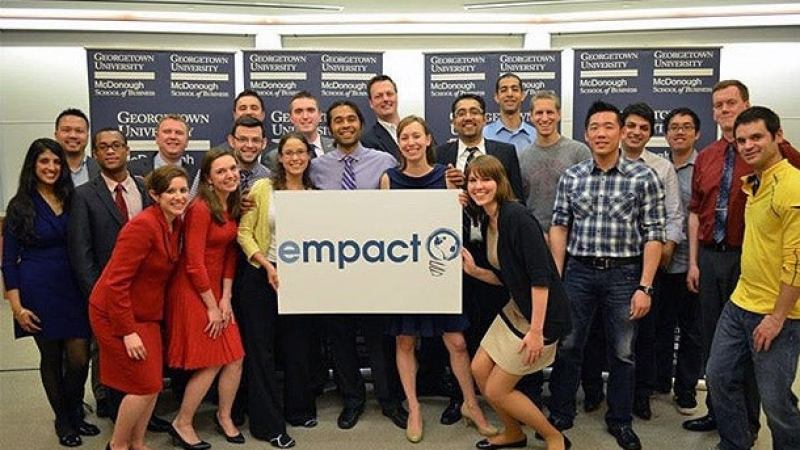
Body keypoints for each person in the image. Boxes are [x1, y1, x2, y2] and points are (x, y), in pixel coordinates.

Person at [547, 101, 665, 450]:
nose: (601, 133)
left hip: (624, 275)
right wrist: (557, 277)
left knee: (623, 353)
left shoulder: (643, 177)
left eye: (609, 126)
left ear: (622, 132)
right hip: (578, 272)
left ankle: (620, 420)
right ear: (586, 134)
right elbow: (559, 226)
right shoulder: (572, 176)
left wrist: (645, 286)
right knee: (568, 346)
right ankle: (560, 413)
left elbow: (654, 235)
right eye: (594, 127)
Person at [379, 115, 494, 443]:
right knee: (405, 341)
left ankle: (471, 404)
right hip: (404, 274)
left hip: (441, 272)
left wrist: (462, 204)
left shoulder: (447, 176)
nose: (411, 143)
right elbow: (382, 227)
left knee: (457, 342)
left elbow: (465, 224)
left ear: (428, 140)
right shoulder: (388, 179)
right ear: (399, 143)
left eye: (417, 136)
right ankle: (414, 408)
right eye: (405, 137)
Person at [463, 155, 572, 450]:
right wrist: (475, 272)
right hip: (517, 308)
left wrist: (536, 331)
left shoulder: (517, 217)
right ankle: (513, 433)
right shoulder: (489, 218)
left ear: (500, 182)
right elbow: (507, 277)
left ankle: (554, 436)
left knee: (497, 390)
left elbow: (540, 278)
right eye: (472, 180)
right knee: (479, 369)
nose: (478, 186)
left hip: (543, 316)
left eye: (485, 179)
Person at [706, 106, 800, 450]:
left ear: (778, 136)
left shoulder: (793, 187)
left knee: (776, 402)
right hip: (740, 302)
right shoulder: (754, 183)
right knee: (718, 377)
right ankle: (736, 442)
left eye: (757, 137)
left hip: (778, 314)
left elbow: (797, 263)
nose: (747, 146)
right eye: (742, 140)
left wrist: (776, 317)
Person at [309, 100, 407, 430]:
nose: (345, 125)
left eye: (351, 119)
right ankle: (352, 399)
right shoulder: (317, 167)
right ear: (330, 128)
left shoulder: (385, 161)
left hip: (374, 267)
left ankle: (389, 400)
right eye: (338, 120)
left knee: (379, 338)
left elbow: (401, 208)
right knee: (340, 338)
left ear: (360, 124)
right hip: (333, 267)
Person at [2, 138, 100, 447]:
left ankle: (74, 410)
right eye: (44, 161)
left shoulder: (73, 199)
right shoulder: (20, 205)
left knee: (79, 357)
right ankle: (64, 420)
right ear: (33, 165)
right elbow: (8, 261)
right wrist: (17, 307)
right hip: (38, 288)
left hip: (73, 285)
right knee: (51, 357)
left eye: (57, 162)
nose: (51, 167)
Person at [435, 92, 524, 425]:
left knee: (494, 327)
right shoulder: (441, 154)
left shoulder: (504, 152)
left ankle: (500, 395)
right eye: (461, 112)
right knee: (458, 333)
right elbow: (425, 207)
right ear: (453, 121)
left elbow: (515, 199)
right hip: (452, 256)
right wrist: (446, 194)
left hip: (492, 253)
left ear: (485, 118)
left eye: (474, 111)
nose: (468, 117)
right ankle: (461, 397)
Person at [88, 166, 188, 450]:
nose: (179, 197)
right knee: (142, 386)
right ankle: (118, 445)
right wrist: (127, 331)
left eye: (183, 190)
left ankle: (138, 443)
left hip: (146, 314)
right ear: (155, 195)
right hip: (115, 313)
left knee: (154, 385)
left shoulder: (175, 223)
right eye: (171, 191)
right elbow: (116, 283)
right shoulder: (142, 226)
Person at [236, 132, 319, 448]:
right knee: (261, 352)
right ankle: (267, 425)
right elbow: (244, 233)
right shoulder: (262, 188)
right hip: (261, 276)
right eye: (289, 153)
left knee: (297, 346)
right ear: (280, 158)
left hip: (299, 279)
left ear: (308, 156)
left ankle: (299, 410)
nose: (295, 158)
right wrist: (266, 265)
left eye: (301, 152)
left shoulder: (315, 194)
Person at [165, 149, 245, 448]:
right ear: (209, 179)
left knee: (235, 358)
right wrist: (212, 306)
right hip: (193, 291)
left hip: (217, 291)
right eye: (221, 171)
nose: (229, 175)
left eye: (232, 168)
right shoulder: (199, 208)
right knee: (212, 361)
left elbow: (229, 255)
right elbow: (194, 263)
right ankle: (182, 423)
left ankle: (224, 416)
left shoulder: (230, 203)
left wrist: (226, 297)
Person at [68, 128, 148, 421]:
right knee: (108, 353)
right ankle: (112, 406)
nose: (110, 151)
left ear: (127, 150)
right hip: (106, 293)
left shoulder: (144, 189)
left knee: (143, 350)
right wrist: (99, 297)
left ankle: (143, 407)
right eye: (103, 147)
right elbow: (81, 253)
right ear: (95, 154)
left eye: (116, 145)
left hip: (144, 290)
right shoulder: (83, 196)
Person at [622, 102, 684, 420]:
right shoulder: (603, 161)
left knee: (646, 333)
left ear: (650, 134)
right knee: (610, 332)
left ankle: (642, 394)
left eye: (643, 128)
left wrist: (663, 254)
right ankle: (601, 390)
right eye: (631, 126)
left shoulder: (662, 168)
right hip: (613, 261)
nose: (636, 132)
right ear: (622, 129)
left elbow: (674, 215)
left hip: (649, 261)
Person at [655, 108, 703, 415]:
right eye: (674, 127)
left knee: (691, 331)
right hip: (659, 264)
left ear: (697, 133)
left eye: (686, 127)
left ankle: (686, 390)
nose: (680, 132)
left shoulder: (704, 168)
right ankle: (659, 382)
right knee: (658, 328)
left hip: (690, 264)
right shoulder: (657, 168)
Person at [262, 90, 335, 171]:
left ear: (320, 115)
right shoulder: (274, 157)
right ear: (291, 118)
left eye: (310, 110)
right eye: (298, 111)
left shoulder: (336, 148)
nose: (305, 116)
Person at [128, 114, 198, 182]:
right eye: (167, 132)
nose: (173, 137)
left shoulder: (196, 175)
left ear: (187, 141)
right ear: (157, 138)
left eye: (179, 133)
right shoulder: (132, 169)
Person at [483, 73, 536, 155]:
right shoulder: (484, 134)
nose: (510, 94)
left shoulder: (535, 135)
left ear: (522, 95)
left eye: (515, 89)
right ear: (496, 97)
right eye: (504, 90)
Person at [54, 108, 99, 186]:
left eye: (79, 131)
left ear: (87, 137)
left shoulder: (101, 169)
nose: (73, 135)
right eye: (66, 130)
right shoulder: (45, 169)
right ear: (56, 135)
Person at [213, 89, 267, 153]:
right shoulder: (219, 154)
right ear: (235, 115)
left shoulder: (275, 153)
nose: (248, 112)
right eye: (243, 108)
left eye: (254, 108)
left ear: (263, 115)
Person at [361, 74, 401, 160]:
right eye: (378, 96)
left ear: (397, 96)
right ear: (371, 103)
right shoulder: (367, 142)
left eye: (389, 94)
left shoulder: (418, 131)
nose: (385, 99)